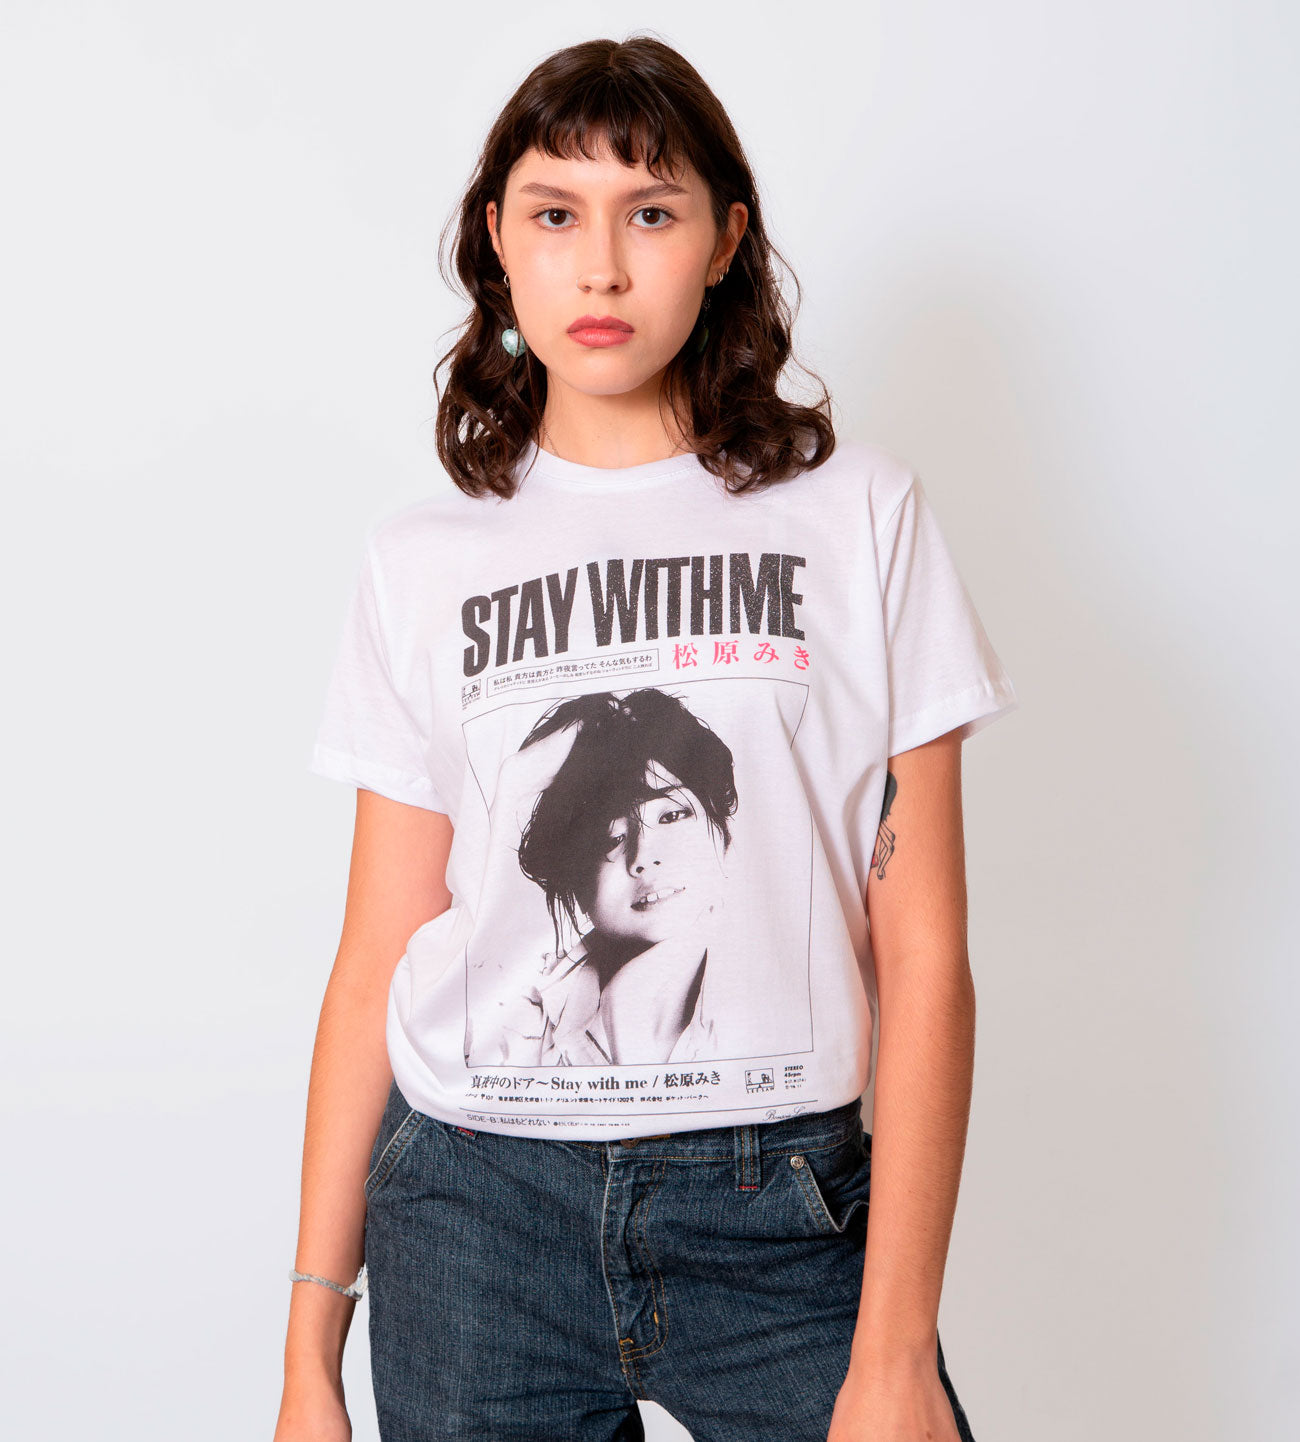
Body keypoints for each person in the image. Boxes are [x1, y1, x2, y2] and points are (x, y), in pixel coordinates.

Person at [275, 33, 1018, 1442]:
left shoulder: (859, 516)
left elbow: (923, 952)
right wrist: (312, 1342)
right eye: (556, 215)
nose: (602, 270)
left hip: (779, 1206)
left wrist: (895, 1349)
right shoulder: (423, 559)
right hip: (474, 1212)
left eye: (652, 214)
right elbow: (379, 946)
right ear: (497, 240)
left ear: (726, 240)